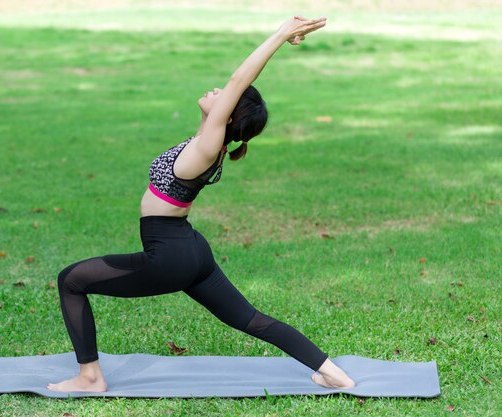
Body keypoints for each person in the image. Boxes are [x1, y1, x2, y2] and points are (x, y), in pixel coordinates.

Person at [47, 15, 355, 393]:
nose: (215, 90)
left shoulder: (210, 143)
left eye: (223, 97)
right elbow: (227, 94)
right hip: (191, 251)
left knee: (71, 280)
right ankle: (333, 373)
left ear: (229, 113)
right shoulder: (206, 143)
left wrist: (280, 34)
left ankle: (90, 377)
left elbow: (239, 80)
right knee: (251, 319)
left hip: (170, 257)